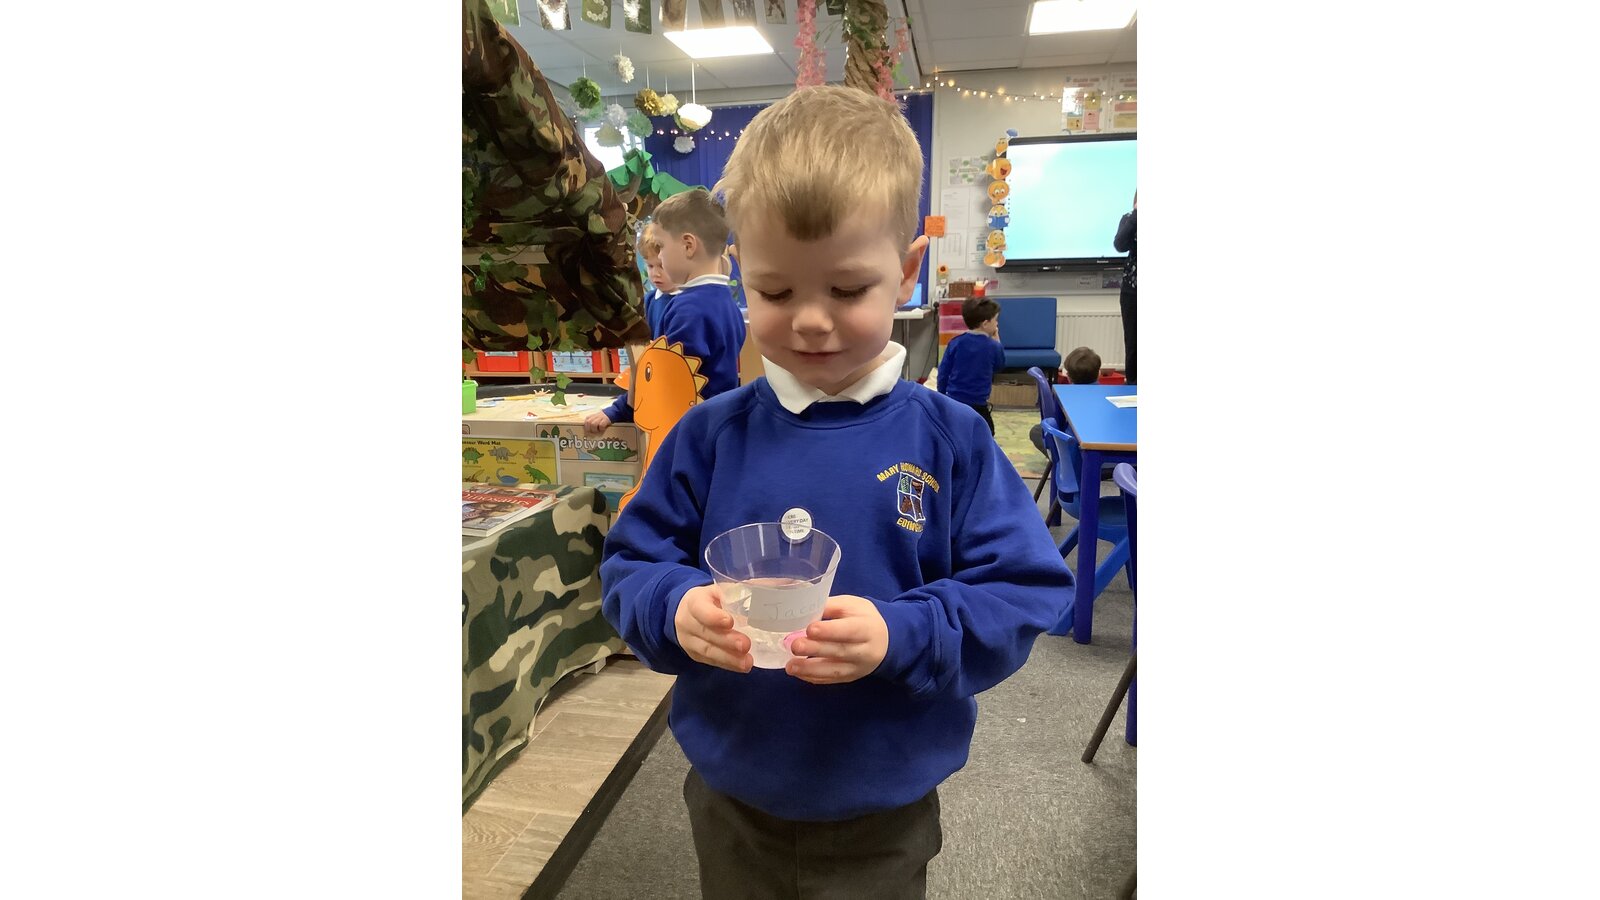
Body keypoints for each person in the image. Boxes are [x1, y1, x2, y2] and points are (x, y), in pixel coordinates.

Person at [599, 85, 1073, 900]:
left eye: (848, 290)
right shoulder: (708, 437)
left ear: (906, 272)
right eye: (777, 293)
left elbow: (1024, 591)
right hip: (733, 795)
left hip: (881, 806)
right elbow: (629, 566)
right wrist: (673, 607)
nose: (812, 321)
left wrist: (902, 631)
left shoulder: (951, 440)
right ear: (741, 276)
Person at [584, 190, 746, 435]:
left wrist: (620, 409)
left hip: (689, 429)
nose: (658, 256)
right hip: (717, 424)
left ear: (688, 246)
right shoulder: (725, 301)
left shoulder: (688, 309)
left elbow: (662, 381)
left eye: (660, 247)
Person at [935, 296, 1005, 434]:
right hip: (978, 403)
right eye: (995, 320)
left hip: (954, 402)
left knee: (954, 432)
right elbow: (1000, 366)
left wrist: (942, 395)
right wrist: (997, 340)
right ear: (985, 324)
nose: (997, 323)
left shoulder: (955, 342)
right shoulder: (993, 346)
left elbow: (943, 372)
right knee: (987, 433)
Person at [1030, 345, 1102, 459]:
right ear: (1099, 373)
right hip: (1103, 452)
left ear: (1068, 376)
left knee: (1036, 431)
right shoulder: (1107, 395)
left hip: (1072, 457)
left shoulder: (1063, 395)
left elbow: (1057, 425)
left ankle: (1057, 459)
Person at [1113, 193, 1136, 384]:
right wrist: (1136, 216)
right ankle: (1133, 383)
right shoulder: (1129, 219)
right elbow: (1120, 245)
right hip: (1132, 291)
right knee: (1133, 343)